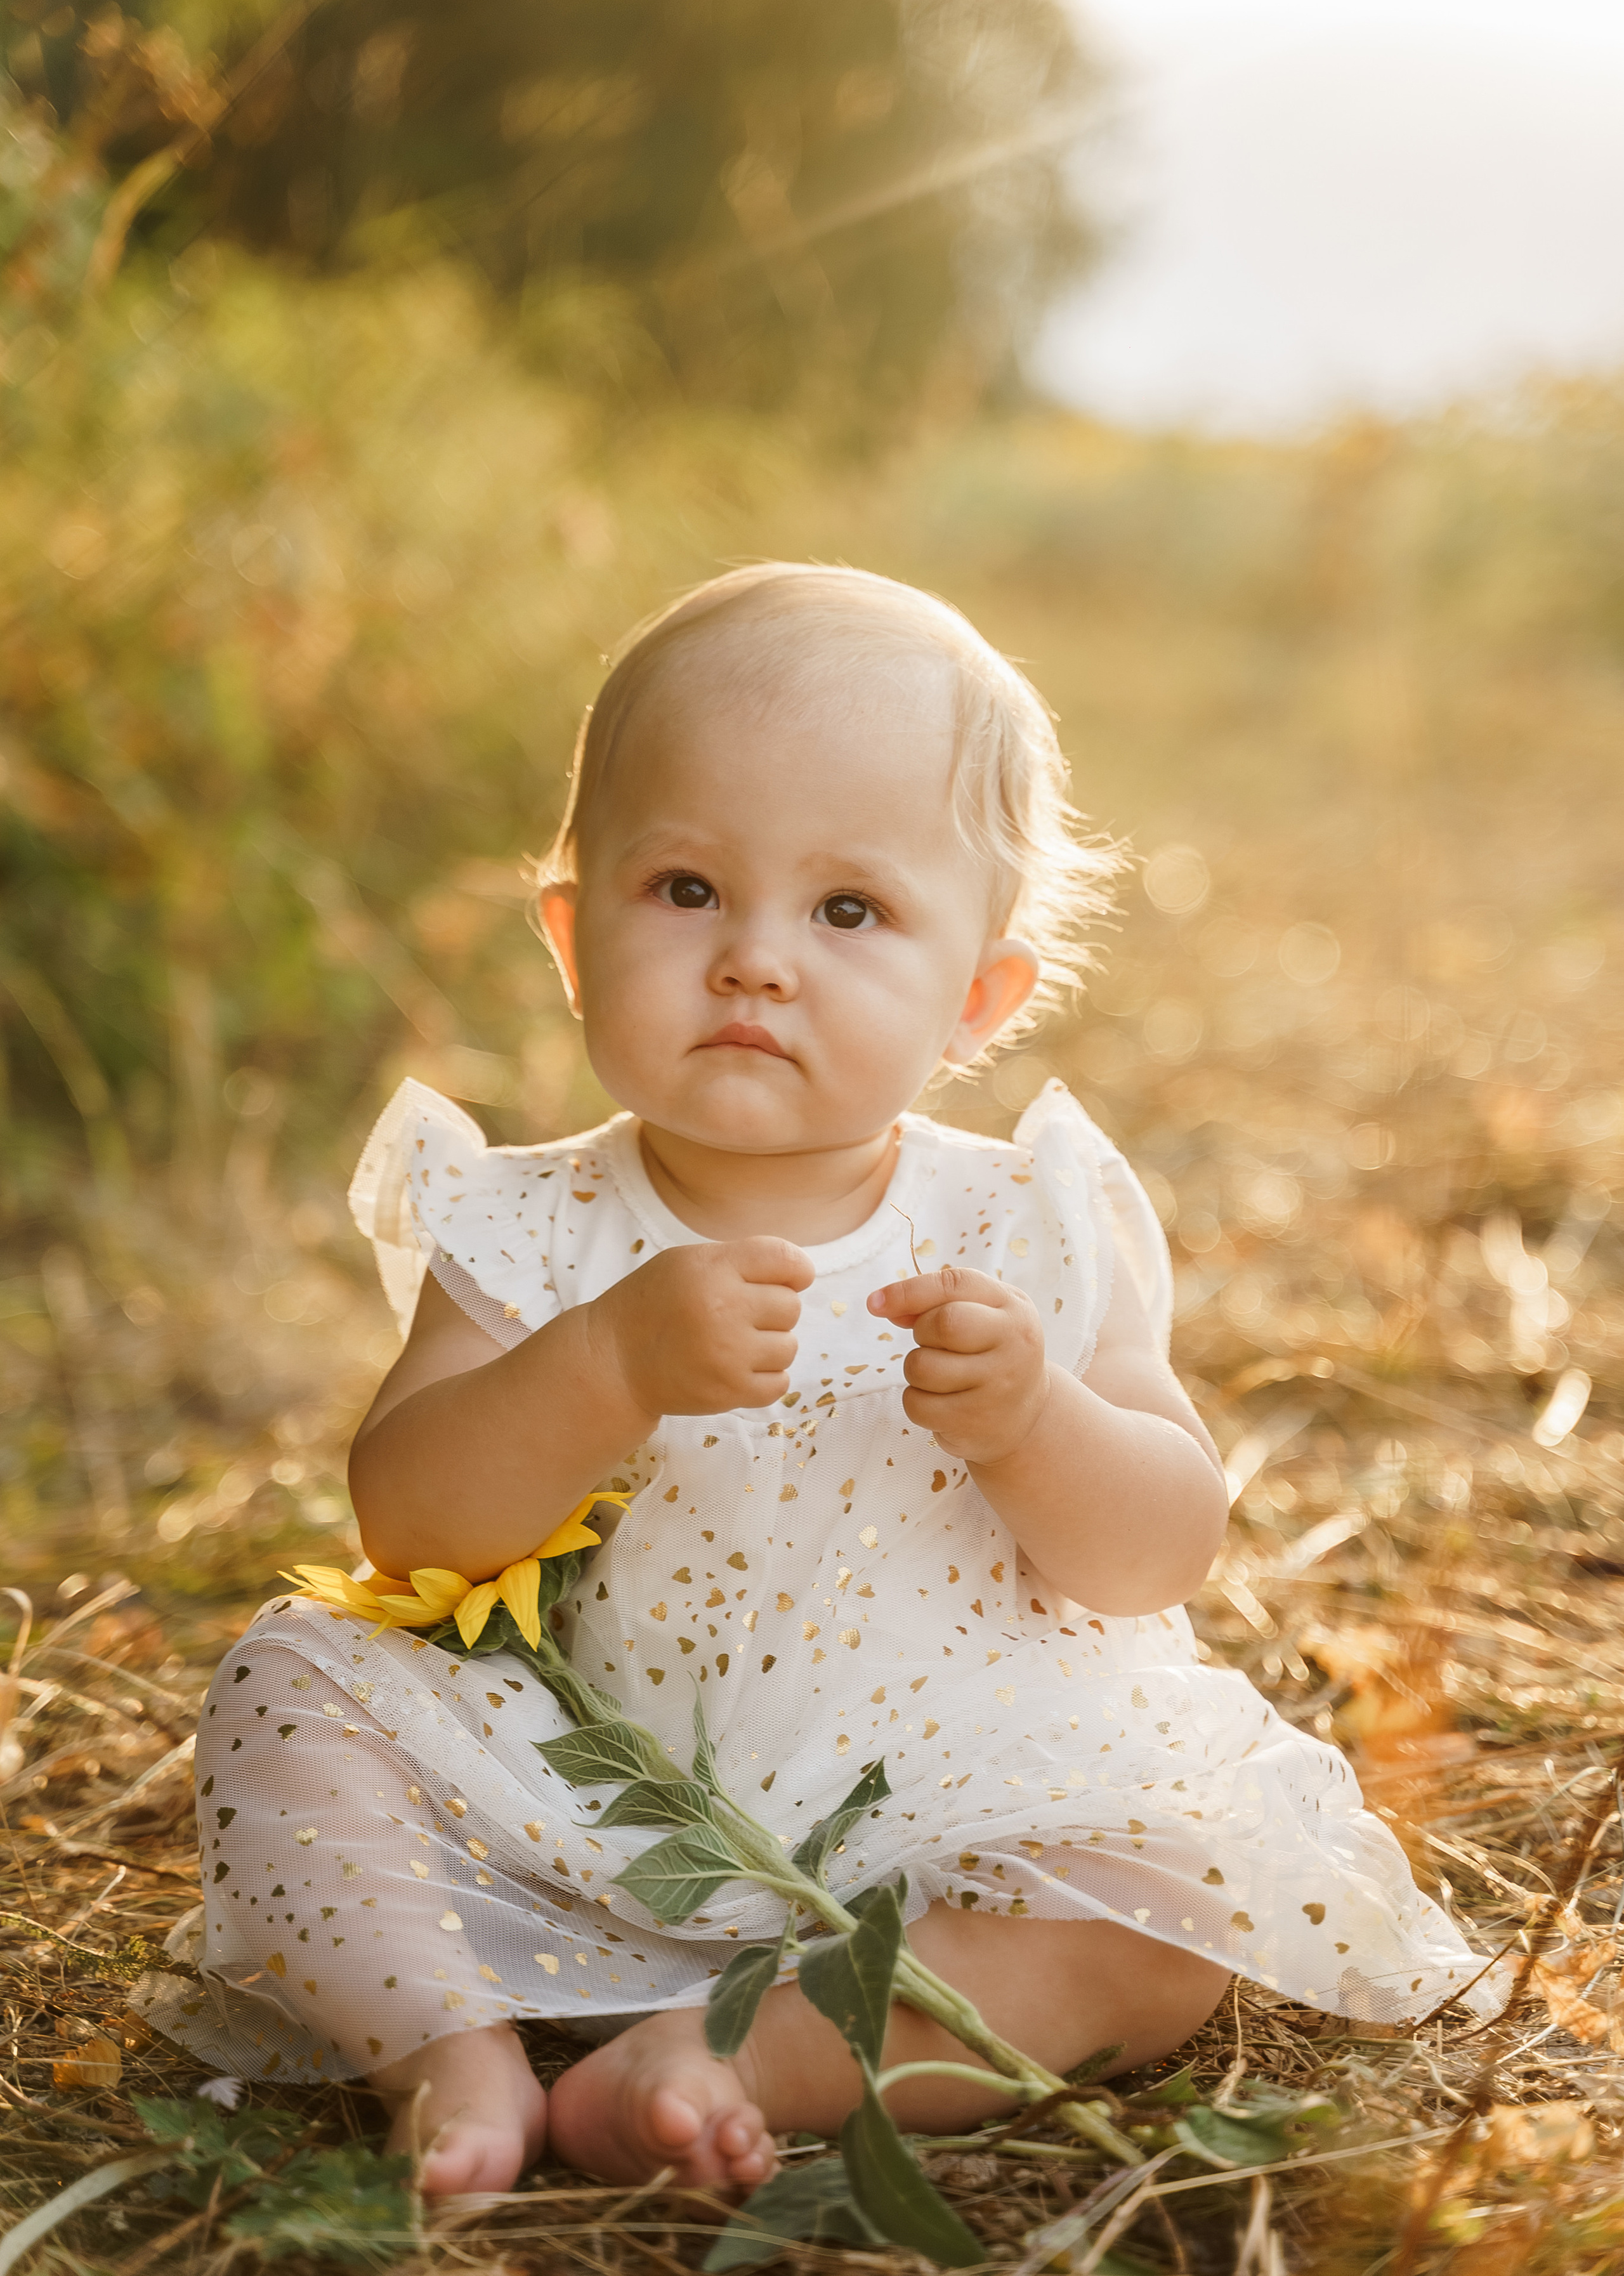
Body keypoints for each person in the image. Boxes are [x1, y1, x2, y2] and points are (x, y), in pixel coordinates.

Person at [149, 565, 1489, 2196]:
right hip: (575, 1780)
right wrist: (606, 1362)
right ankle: (452, 2056)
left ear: (975, 999)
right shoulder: (528, 1222)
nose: (756, 962)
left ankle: (733, 2056)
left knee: (1173, 1913)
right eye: (687, 889)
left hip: (956, 1804)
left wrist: (1033, 1422)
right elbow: (411, 1527)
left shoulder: (1024, 1221)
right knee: (289, 1692)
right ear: (573, 942)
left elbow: (1158, 1548)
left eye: (846, 911)